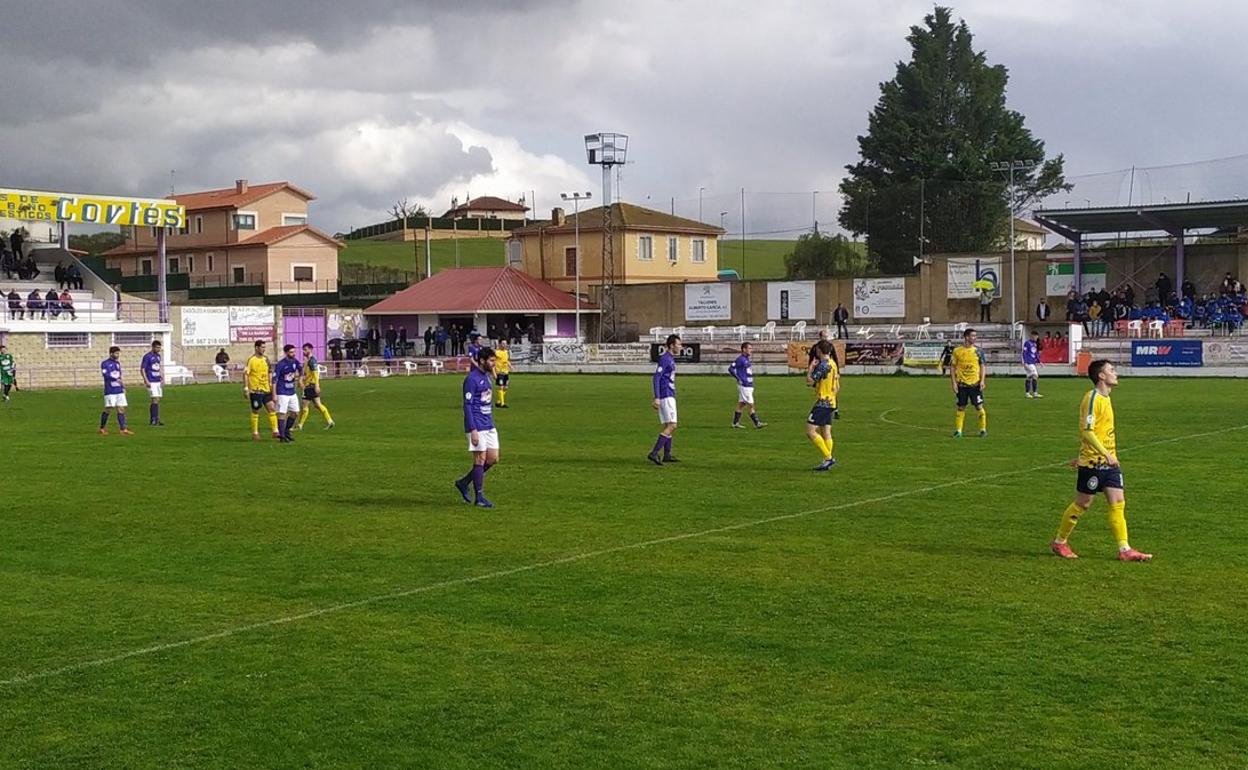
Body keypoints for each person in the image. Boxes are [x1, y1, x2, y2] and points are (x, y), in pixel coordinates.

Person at [1050, 360, 1152, 562]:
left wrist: (1108, 455)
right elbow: (1086, 431)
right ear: (1101, 376)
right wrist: (1105, 453)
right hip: (1094, 463)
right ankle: (1060, 542)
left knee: (1118, 502)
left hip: (1109, 463)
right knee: (1083, 503)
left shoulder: (1106, 398)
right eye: (1111, 370)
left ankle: (1125, 549)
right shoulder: (1092, 398)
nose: (1116, 373)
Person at [454, 346, 501, 509]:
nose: (494, 364)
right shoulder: (471, 379)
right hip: (476, 425)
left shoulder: (486, 377)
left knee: (493, 458)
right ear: (482, 361)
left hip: (488, 424)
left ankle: (464, 482)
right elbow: (467, 405)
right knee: (480, 458)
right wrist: (473, 429)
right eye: (491, 361)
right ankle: (479, 497)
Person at [647, 334, 682, 466]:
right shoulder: (666, 359)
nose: (680, 347)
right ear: (672, 345)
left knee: (668, 425)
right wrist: (657, 397)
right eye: (678, 344)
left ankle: (667, 455)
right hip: (666, 395)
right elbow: (656, 377)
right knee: (672, 425)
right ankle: (654, 453)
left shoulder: (670, 359)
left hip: (669, 394)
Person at [805, 340, 838, 471]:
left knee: (810, 431)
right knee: (826, 432)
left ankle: (829, 458)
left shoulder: (823, 365)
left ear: (819, 350)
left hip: (823, 402)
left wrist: (810, 368)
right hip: (831, 401)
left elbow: (809, 381)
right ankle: (826, 460)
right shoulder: (833, 363)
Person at [950, 327, 987, 438]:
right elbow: (952, 367)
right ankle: (958, 431)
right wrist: (954, 382)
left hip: (975, 384)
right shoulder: (957, 351)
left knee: (979, 406)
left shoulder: (978, 351)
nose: (974, 338)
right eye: (973, 336)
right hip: (962, 385)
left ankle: (983, 429)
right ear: (966, 337)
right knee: (961, 407)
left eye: (975, 336)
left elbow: (982, 366)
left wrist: (982, 380)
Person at [243, 339, 280, 441]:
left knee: (272, 408)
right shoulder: (252, 360)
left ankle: (275, 431)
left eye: (264, 347)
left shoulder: (266, 359)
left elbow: (269, 372)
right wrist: (246, 388)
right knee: (256, 410)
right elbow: (246, 374)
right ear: (256, 348)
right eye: (262, 347)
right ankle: (255, 433)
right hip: (255, 390)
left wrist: (271, 386)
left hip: (266, 389)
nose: (264, 349)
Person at [728, 342, 766, 429]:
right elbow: (730, 368)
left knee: (741, 404)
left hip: (748, 385)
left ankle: (735, 423)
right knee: (751, 404)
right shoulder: (740, 359)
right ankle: (757, 423)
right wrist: (738, 378)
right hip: (744, 385)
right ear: (744, 349)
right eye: (749, 348)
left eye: (751, 348)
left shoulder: (746, 359)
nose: (751, 350)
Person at [298, 343, 335, 430]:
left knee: (305, 406)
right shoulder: (308, 360)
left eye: (305, 349)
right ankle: (330, 421)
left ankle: (300, 425)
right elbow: (307, 373)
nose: (304, 351)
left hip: (310, 386)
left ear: (310, 350)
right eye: (303, 349)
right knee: (318, 404)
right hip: (311, 385)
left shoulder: (312, 361)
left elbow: (315, 373)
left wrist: (317, 385)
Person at [99, 346, 132, 435]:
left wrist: (123, 387)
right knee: (108, 409)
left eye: (118, 353)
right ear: (111, 354)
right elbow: (106, 375)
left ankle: (123, 429)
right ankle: (102, 427)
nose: (118, 355)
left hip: (119, 390)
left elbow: (119, 376)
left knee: (121, 408)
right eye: (116, 353)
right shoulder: (105, 363)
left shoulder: (117, 364)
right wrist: (115, 379)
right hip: (110, 390)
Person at [273, 344, 302, 442]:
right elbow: (274, 379)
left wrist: (300, 380)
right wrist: (274, 394)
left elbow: (301, 369)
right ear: (286, 353)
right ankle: (282, 436)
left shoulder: (295, 362)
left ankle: (286, 431)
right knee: (282, 413)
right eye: (291, 352)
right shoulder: (281, 364)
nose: (293, 354)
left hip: (292, 392)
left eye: (294, 352)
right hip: (282, 392)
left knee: (295, 412)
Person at [140, 340, 165, 426]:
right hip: (151, 380)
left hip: (157, 380)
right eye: (157, 347)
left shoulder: (158, 356)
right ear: (153, 347)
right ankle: (153, 419)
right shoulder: (147, 356)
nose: (159, 349)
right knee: (154, 398)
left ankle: (155, 418)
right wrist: (146, 380)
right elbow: (142, 369)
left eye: (159, 347)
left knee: (157, 399)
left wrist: (161, 377)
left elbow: (158, 367)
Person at [1021, 330, 1043, 398]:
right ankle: (1035, 393)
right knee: (1035, 376)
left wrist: (1039, 361)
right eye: (1036, 336)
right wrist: (1025, 362)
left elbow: (1036, 353)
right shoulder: (1027, 343)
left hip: (1032, 362)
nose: (1036, 338)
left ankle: (1027, 393)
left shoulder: (1035, 344)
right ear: (1032, 336)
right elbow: (1024, 352)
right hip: (1028, 362)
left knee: (1029, 377)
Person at [494, 339, 512, 408]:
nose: (504, 345)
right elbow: (494, 360)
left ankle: (498, 402)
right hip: (500, 372)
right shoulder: (497, 352)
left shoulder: (506, 352)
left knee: (505, 387)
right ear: (500, 344)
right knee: (501, 387)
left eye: (505, 343)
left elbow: (506, 361)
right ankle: (502, 404)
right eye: (503, 343)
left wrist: (510, 366)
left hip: (506, 372)